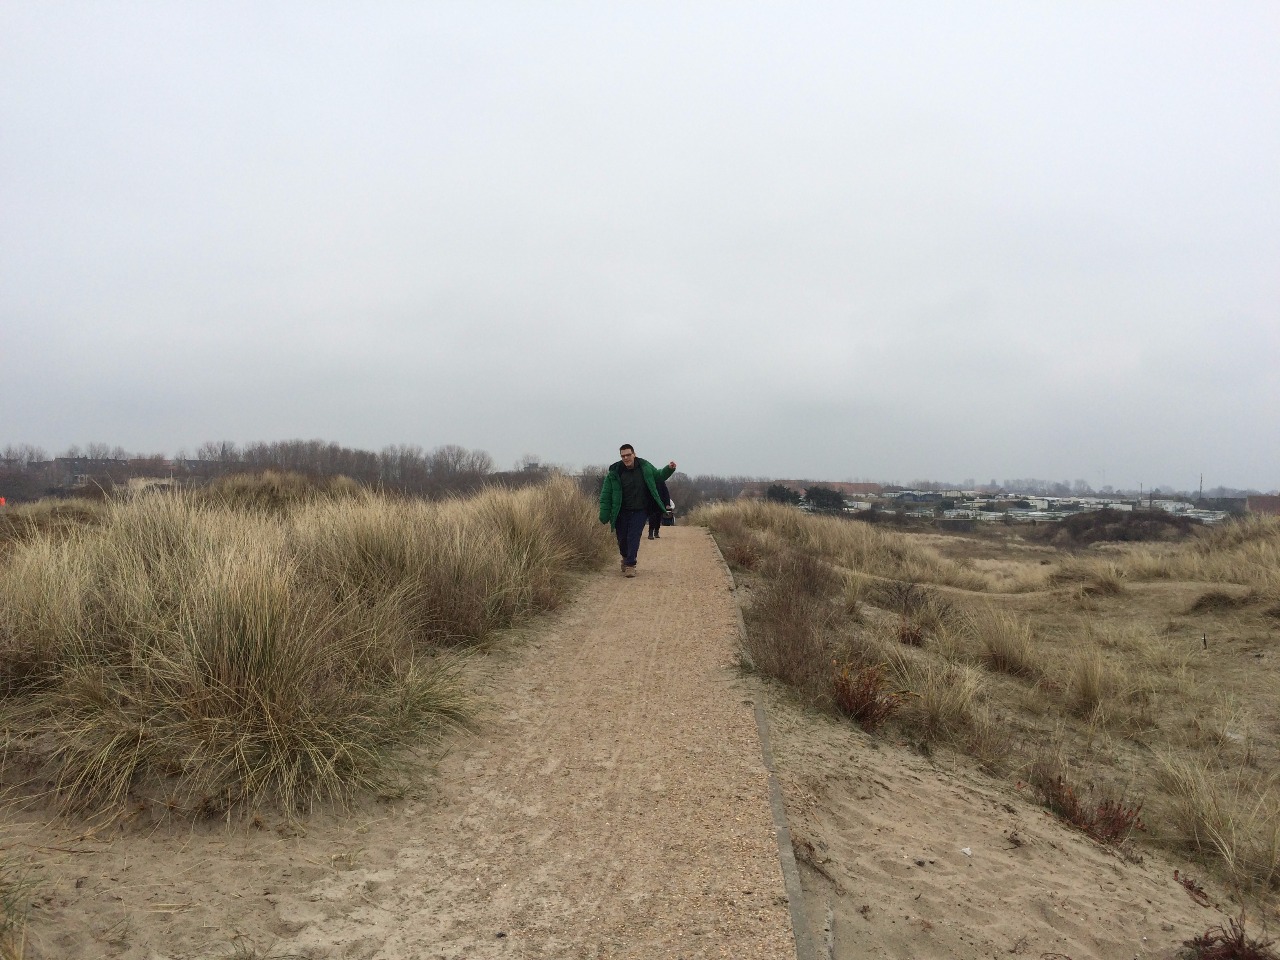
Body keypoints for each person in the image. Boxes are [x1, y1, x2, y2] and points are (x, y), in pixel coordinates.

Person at [598, 444, 676, 577]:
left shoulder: (645, 467)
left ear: (634, 454)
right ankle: (625, 556)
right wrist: (604, 513)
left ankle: (630, 565)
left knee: (634, 536)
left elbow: (658, 476)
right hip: (621, 511)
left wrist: (669, 469)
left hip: (640, 510)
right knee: (622, 538)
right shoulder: (615, 472)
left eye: (628, 455)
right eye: (623, 456)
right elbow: (606, 495)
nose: (626, 458)